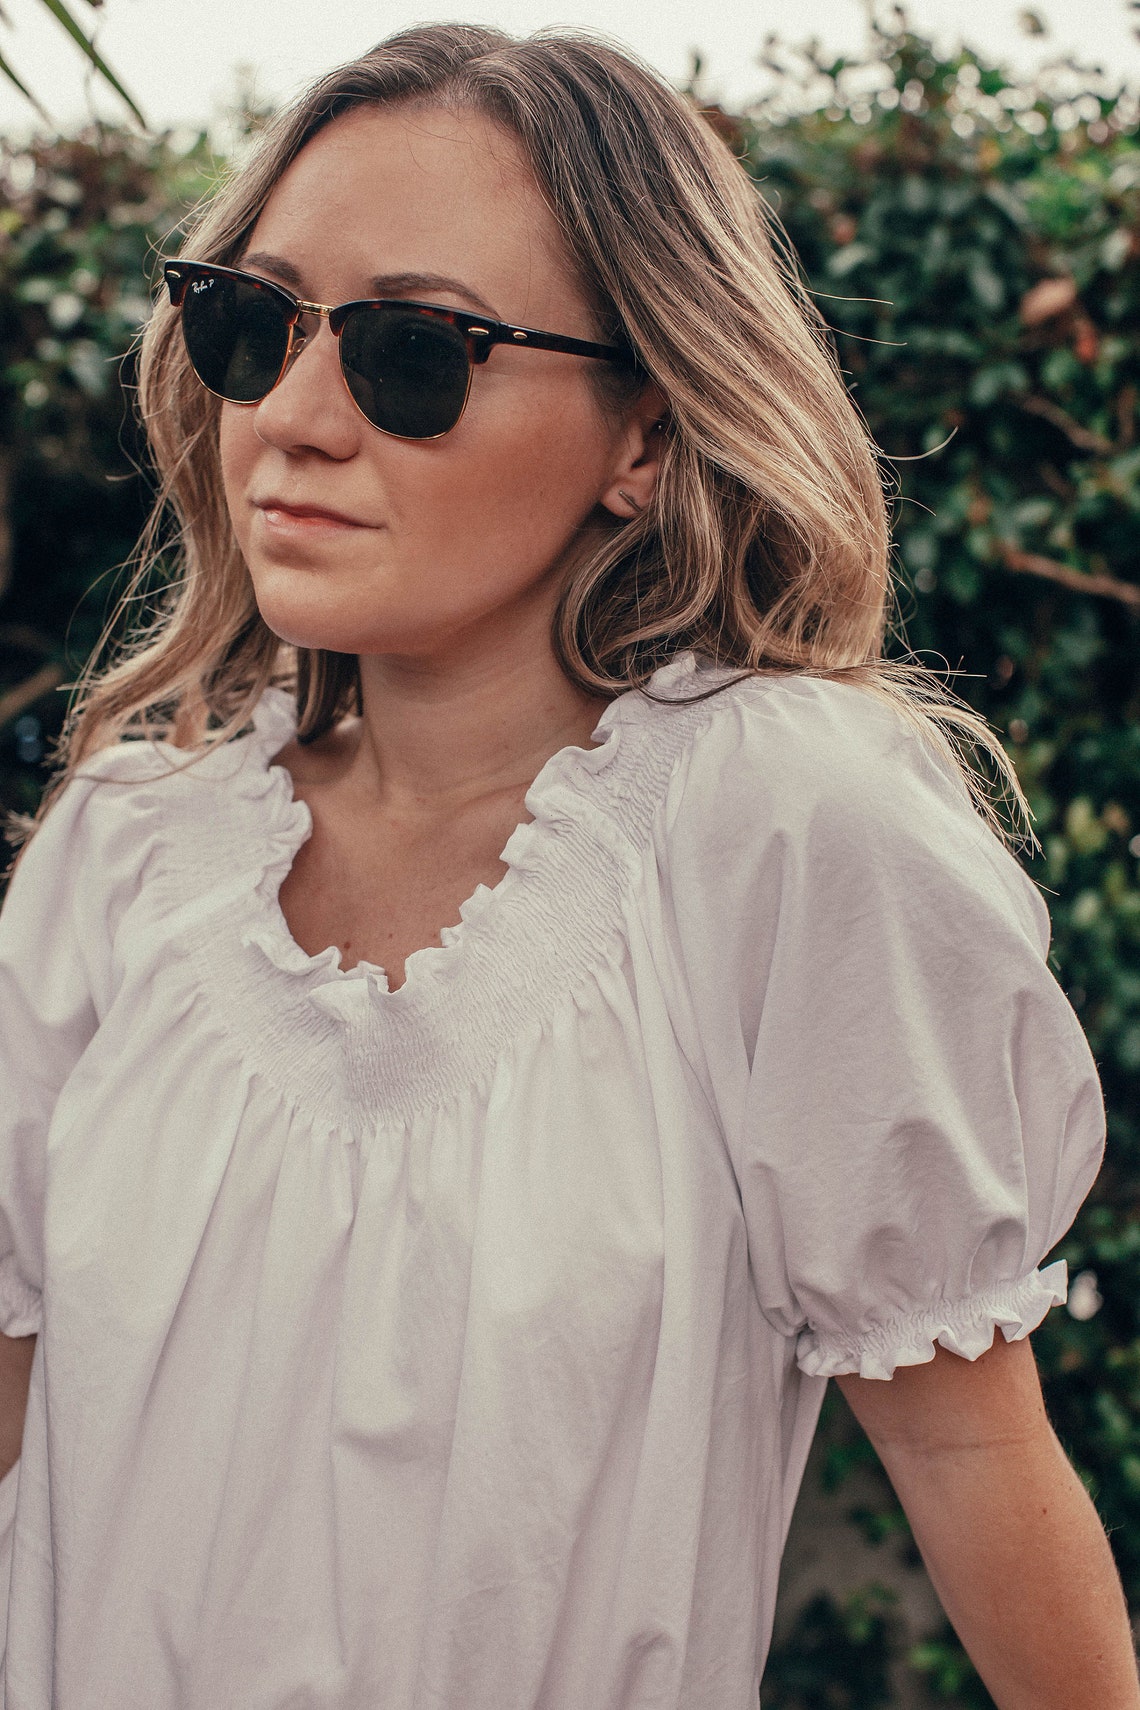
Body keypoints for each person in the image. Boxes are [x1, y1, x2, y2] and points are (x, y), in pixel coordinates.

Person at [0, 22, 1134, 1710]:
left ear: (650, 438)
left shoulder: (786, 827)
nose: (293, 418)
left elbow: (974, 1456)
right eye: (251, 321)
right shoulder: (123, 851)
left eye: (412, 350)